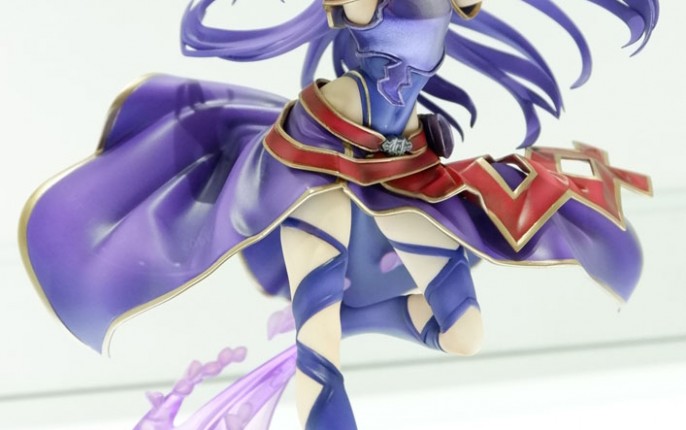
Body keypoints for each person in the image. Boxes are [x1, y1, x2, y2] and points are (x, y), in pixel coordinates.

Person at [19, 0, 659, 428]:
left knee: (464, 334)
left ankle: (334, 325)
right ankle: (317, 335)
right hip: (316, 160)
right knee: (321, 364)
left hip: (401, 163)